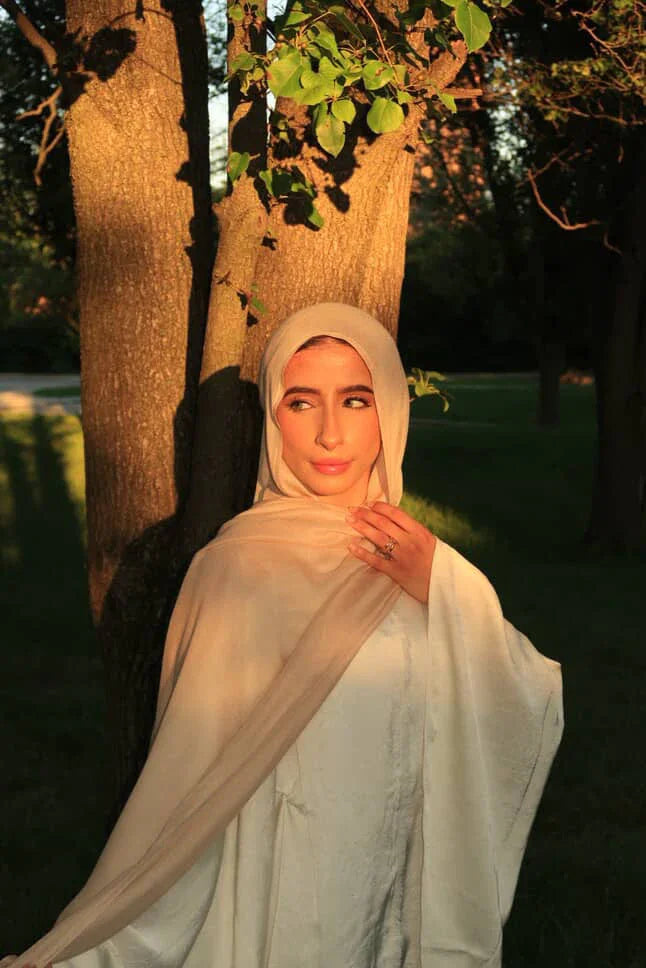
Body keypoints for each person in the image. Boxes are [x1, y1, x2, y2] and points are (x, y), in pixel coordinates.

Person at [7, 303, 563, 968]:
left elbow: (523, 696)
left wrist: (441, 588)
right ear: (272, 419)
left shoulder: (428, 567)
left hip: (387, 882)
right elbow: (186, 786)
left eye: (355, 401)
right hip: (271, 888)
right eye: (302, 403)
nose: (331, 434)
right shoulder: (234, 567)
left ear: (388, 409)